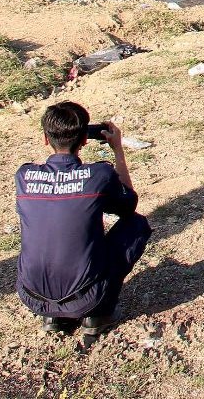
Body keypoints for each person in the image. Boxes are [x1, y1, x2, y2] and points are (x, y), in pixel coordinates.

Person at [15, 102, 152, 335]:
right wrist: (118, 149)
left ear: (46, 139)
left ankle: (53, 316)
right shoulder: (98, 174)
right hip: (87, 297)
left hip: (32, 295)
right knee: (136, 225)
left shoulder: (24, 176)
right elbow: (129, 206)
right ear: (85, 140)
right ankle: (98, 314)